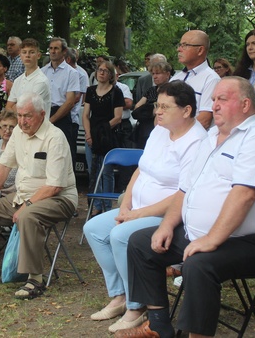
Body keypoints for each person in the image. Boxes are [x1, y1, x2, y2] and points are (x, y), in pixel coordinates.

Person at [120, 77, 255, 338]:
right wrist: (166, 224)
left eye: (223, 99)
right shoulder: (210, 138)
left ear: (245, 104)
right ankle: (158, 326)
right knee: (141, 242)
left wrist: (211, 238)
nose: (215, 105)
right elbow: (185, 190)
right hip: (200, 234)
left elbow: (243, 196)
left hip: (248, 241)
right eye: (214, 99)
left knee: (198, 264)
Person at [83, 81, 207, 334]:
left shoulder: (196, 142)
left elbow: (183, 195)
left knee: (119, 236)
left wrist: (136, 214)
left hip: (169, 216)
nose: (157, 111)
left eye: (164, 106)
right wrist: (126, 204)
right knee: (93, 228)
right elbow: (141, 168)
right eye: (157, 105)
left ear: (186, 111)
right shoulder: (160, 130)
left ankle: (136, 306)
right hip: (136, 208)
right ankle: (119, 296)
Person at [0, 91, 78, 300]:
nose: (22, 121)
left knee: (28, 216)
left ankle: (35, 279)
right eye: (19, 115)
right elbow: (3, 165)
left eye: (28, 116)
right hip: (24, 195)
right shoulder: (18, 132)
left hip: (59, 199)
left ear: (42, 114)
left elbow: (54, 186)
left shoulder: (55, 137)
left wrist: (27, 204)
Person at [83, 61, 125, 214]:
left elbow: (118, 117)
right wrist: (89, 134)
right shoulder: (90, 91)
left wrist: (102, 132)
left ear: (111, 75)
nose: (101, 73)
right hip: (91, 136)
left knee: (106, 171)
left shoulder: (116, 92)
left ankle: (107, 207)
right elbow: (86, 115)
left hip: (107, 136)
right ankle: (96, 205)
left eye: (105, 71)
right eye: (99, 70)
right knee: (93, 171)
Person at [171, 30, 220, 129]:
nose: (179, 49)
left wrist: (177, 133)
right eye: (179, 45)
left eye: (184, 45)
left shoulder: (211, 79)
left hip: (194, 140)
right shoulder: (176, 78)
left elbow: (205, 120)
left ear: (200, 50)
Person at [42, 37, 79, 158]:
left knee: (64, 154)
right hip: (43, 113)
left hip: (62, 116)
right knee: (43, 152)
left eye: (56, 48)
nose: (52, 51)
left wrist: (51, 120)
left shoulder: (71, 73)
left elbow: (70, 102)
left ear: (64, 51)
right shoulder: (42, 71)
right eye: (51, 48)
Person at [132, 61, 174, 150]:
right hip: (143, 130)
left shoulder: (172, 91)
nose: (154, 76)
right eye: (153, 73)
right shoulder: (151, 90)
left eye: (158, 73)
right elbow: (137, 108)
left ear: (167, 74)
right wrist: (152, 108)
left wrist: (148, 108)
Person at [5, 38, 51, 116]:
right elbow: (8, 107)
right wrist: (15, 108)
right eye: (24, 52)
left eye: (32, 52)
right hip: (19, 126)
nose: (27, 55)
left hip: (38, 127)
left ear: (38, 55)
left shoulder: (41, 81)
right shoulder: (17, 80)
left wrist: (15, 107)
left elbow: (28, 109)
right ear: (20, 55)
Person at [0, 110, 18, 196]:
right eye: (4, 126)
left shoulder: (19, 148)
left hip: (10, 194)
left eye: (12, 127)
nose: (7, 131)